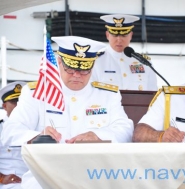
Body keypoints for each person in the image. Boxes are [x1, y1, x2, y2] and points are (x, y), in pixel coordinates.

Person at [1, 36, 134, 188]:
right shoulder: (35, 93)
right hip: (45, 177)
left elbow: (125, 129)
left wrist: (98, 135)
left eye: (84, 70)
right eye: (70, 68)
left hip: (92, 177)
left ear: (92, 66)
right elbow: (9, 132)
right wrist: (37, 137)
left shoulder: (108, 95)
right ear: (59, 62)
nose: (77, 75)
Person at [92, 14, 158, 91]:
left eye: (124, 35)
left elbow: (153, 94)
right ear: (107, 35)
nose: (119, 40)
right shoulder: (96, 62)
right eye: (114, 35)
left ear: (131, 35)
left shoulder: (144, 62)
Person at [0, 81, 28, 189]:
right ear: (4, 106)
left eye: (21, 102)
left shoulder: (35, 128)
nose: (18, 106)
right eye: (14, 101)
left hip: (34, 181)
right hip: (9, 184)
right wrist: (2, 178)